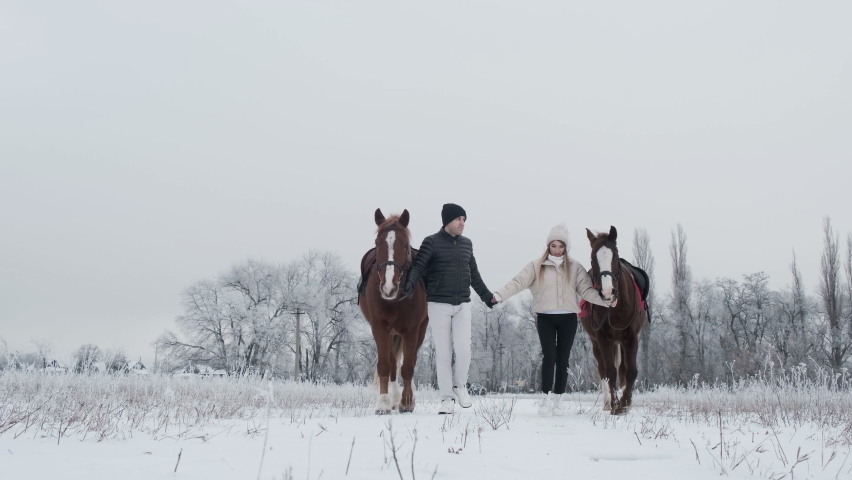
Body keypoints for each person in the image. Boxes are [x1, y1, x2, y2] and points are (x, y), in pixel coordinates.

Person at [492, 224, 613, 416]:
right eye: (553, 246)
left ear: (566, 247)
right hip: (545, 318)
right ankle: (545, 399)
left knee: (563, 359)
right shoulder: (536, 266)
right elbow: (518, 282)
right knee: (549, 357)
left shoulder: (574, 268)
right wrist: (499, 295)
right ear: (548, 246)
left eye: (561, 246)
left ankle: (558, 400)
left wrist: (605, 302)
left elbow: (586, 290)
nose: (557, 250)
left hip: (568, 319)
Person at [402, 203, 495, 414]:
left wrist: (487, 297)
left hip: (463, 303)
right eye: (458, 219)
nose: (462, 223)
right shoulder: (431, 242)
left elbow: (474, 274)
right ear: (447, 221)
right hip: (438, 304)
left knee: (464, 350)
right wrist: (409, 284)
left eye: (464, 219)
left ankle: (459, 386)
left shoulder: (466, 244)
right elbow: (418, 267)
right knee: (443, 354)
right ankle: (446, 399)